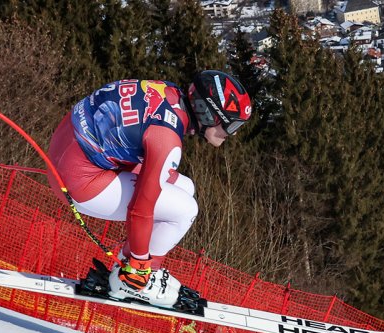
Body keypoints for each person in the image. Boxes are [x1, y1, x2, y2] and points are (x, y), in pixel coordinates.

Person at [45, 71, 252, 310]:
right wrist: (139, 264)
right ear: (208, 113)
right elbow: (141, 207)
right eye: (231, 124)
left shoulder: (169, 93)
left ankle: (128, 265)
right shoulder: (167, 137)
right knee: (185, 210)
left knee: (185, 187)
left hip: (65, 157)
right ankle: (134, 280)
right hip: (79, 183)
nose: (233, 133)